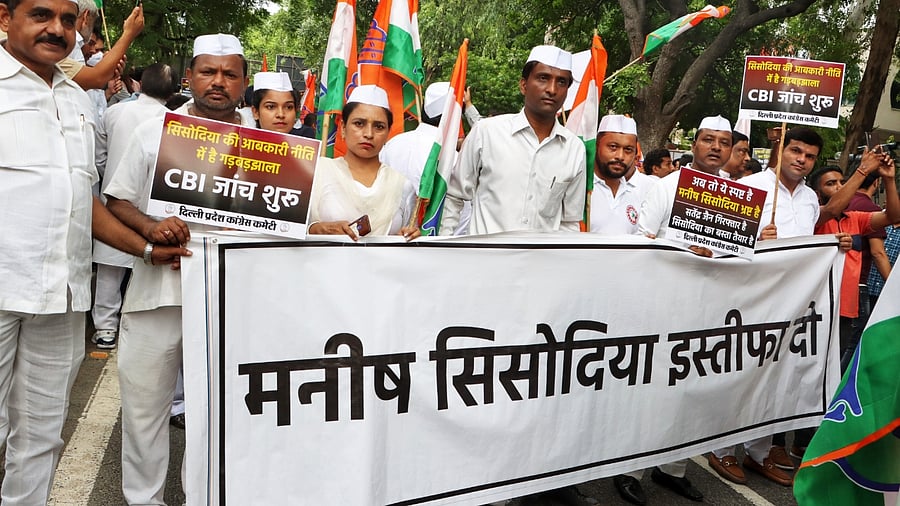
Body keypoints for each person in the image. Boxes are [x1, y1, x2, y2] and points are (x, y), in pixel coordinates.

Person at [0, 1, 186, 503]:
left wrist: (147, 248)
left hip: (62, 297)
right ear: (3, 17)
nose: (57, 29)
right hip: (2, 289)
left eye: (67, 20)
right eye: (41, 15)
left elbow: (85, 203)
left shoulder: (76, 100)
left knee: (40, 437)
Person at [104, 33, 253, 505]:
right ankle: (143, 500)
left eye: (230, 74)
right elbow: (117, 201)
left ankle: (203, 498)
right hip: (158, 295)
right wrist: (151, 228)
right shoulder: (156, 131)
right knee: (145, 412)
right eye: (208, 71)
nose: (218, 82)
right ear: (189, 77)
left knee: (216, 416)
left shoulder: (268, 147)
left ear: (243, 83)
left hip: (233, 302)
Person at [439, 45, 586, 235]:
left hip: (542, 263)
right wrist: (445, 248)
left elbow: (569, 222)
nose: (552, 89)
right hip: (485, 261)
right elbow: (454, 196)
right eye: (543, 78)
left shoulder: (574, 149)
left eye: (562, 82)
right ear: (524, 85)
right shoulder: (487, 133)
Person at [90, 62, 180, 349]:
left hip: (115, 200)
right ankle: (139, 330)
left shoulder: (114, 113)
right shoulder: (175, 122)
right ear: (174, 91)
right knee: (147, 271)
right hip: (155, 211)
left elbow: (99, 158)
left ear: (140, 83)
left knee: (109, 270)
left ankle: (105, 329)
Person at [810, 157, 899, 372]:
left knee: (836, 366)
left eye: (841, 182)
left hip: (847, 307)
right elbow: (831, 210)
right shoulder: (813, 218)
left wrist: (889, 180)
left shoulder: (856, 219)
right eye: (831, 184)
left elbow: (894, 216)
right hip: (818, 308)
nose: (840, 187)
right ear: (818, 194)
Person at [308, 85, 419, 240]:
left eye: (379, 127)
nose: (368, 134)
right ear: (343, 128)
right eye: (359, 124)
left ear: (388, 133)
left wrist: (408, 236)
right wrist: (316, 229)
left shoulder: (402, 185)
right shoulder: (317, 172)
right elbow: (289, 231)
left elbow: (407, 234)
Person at [588, 114, 647, 235]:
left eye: (628, 150)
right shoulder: (581, 189)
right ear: (597, 146)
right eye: (613, 147)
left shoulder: (635, 195)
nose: (620, 156)